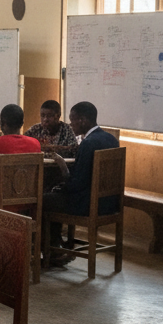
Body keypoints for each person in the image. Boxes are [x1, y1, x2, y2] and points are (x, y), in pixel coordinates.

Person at [42, 101, 121, 266]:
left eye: (73, 120)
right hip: (110, 203)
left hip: (88, 204)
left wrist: (63, 168)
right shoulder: (111, 139)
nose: (70, 124)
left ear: (83, 120)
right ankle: (56, 247)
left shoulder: (88, 143)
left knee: (43, 200)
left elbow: (77, 184)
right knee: (53, 196)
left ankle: (53, 251)